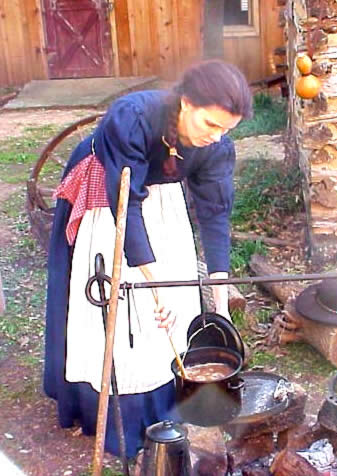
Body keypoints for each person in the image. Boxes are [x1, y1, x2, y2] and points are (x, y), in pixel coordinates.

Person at [43, 59, 253, 458]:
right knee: (124, 304)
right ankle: (110, 407)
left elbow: (214, 214)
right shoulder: (133, 118)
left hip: (162, 196)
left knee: (176, 296)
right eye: (211, 125)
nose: (218, 137)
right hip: (109, 194)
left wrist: (220, 305)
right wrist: (154, 286)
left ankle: (167, 399)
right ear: (187, 103)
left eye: (227, 129)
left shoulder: (216, 145)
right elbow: (127, 204)